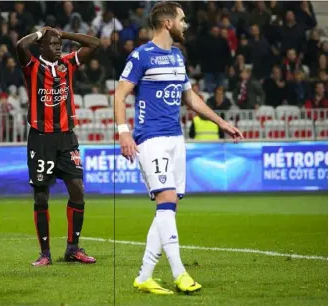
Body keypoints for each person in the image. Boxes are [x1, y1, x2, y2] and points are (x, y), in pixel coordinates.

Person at [114, 2, 243, 295]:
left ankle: (145, 276)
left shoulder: (176, 55)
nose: (185, 25)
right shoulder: (141, 55)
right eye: (182, 20)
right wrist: (124, 133)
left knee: (168, 208)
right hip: (150, 138)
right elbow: (119, 95)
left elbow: (191, 98)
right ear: (167, 23)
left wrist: (221, 122)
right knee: (167, 200)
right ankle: (179, 273)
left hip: (175, 138)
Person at [16, 26, 100, 266]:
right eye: (52, 44)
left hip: (66, 137)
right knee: (41, 195)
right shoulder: (32, 67)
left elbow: (94, 44)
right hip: (41, 138)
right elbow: (21, 45)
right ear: (41, 46)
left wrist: (64, 34)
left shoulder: (67, 64)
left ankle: (73, 248)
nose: (58, 48)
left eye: (59, 44)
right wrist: (40, 33)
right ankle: (45, 253)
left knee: (77, 188)